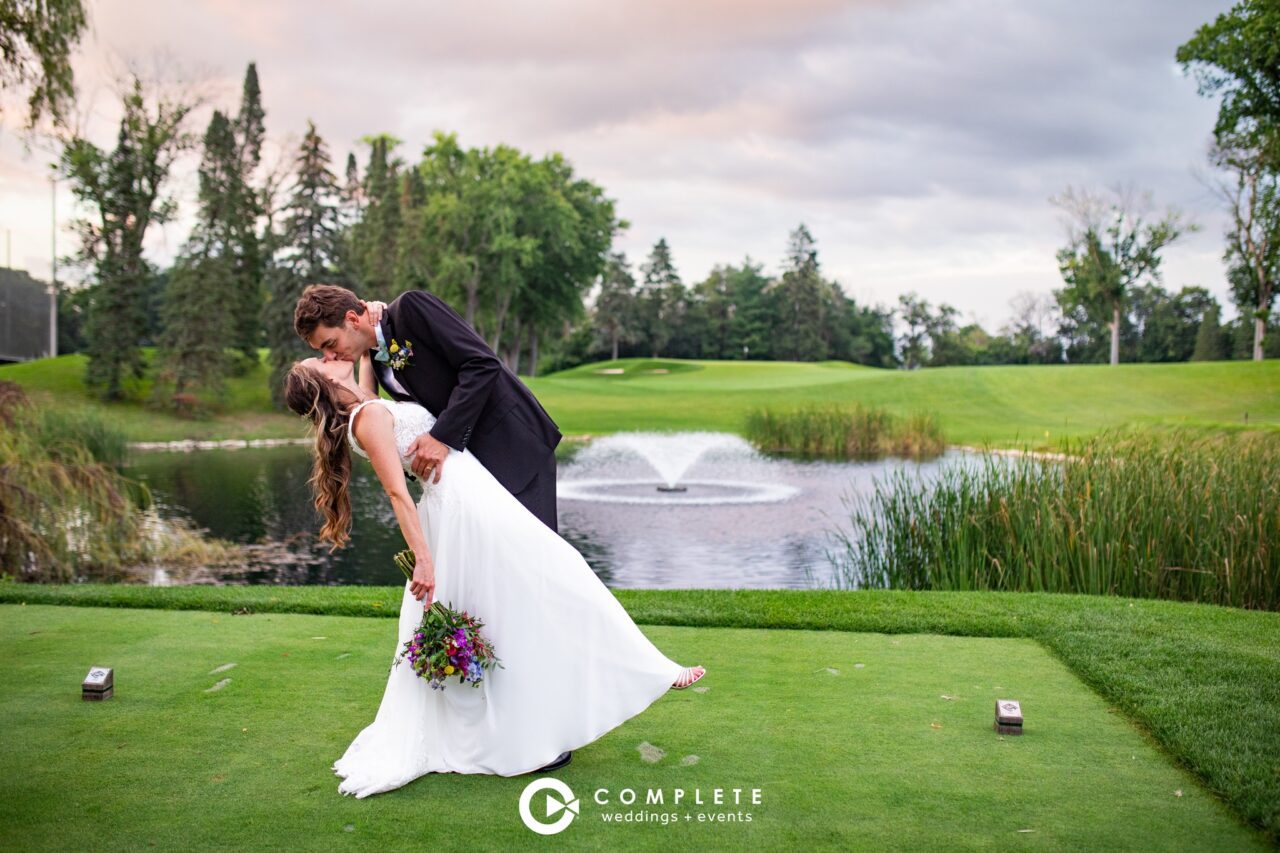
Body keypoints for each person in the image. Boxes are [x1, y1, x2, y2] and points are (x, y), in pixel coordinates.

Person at [283, 357, 705, 798]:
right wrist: (423, 560)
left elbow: (368, 379)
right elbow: (396, 492)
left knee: (543, 587)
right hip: (463, 514)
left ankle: (629, 678)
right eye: (323, 358)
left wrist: (372, 344)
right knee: (556, 579)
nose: (332, 355)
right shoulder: (366, 418)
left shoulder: (366, 407)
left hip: (478, 500)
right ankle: (649, 673)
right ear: (324, 384)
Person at [293, 284, 561, 533]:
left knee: (537, 558)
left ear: (352, 320)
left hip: (512, 445)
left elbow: (482, 364)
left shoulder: (411, 309)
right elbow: (369, 404)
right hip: (471, 472)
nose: (330, 356)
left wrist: (441, 438)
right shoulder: (375, 357)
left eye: (330, 344)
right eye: (322, 352)